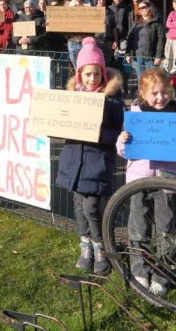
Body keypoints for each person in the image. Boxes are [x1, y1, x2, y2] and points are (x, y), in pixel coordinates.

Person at [116, 68, 176, 296]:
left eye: (165, 92)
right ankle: (139, 271)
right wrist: (123, 141)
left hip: (169, 183)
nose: (160, 97)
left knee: (166, 230)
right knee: (138, 228)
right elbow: (123, 151)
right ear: (143, 93)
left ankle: (162, 276)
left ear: (171, 91)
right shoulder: (135, 115)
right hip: (138, 181)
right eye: (154, 93)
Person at [55, 37, 124, 275]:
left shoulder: (112, 99)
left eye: (96, 74)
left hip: (97, 162)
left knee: (93, 207)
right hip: (75, 161)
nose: (92, 79)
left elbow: (119, 130)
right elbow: (60, 124)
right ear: (79, 75)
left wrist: (98, 134)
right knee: (78, 205)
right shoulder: (72, 97)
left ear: (103, 74)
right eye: (87, 75)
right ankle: (85, 245)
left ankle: (100, 247)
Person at [126, 0, 165, 85]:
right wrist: (128, 53)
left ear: (149, 7)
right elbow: (130, 38)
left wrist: (158, 56)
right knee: (141, 80)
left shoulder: (157, 22)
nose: (141, 10)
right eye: (139, 8)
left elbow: (161, 40)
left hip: (151, 57)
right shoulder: (136, 23)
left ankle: (150, 98)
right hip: (138, 56)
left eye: (143, 7)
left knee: (152, 81)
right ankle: (142, 98)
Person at [65, 0, 93, 67]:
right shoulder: (67, 8)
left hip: (86, 41)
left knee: (86, 65)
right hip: (72, 41)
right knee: (76, 66)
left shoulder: (92, 7)